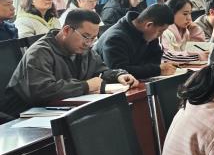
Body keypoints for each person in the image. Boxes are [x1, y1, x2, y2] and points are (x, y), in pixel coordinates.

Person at [0, 9, 136, 117]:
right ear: (66, 30)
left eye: (93, 39)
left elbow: (100, 71)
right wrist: (85, 86)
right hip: (24, 116)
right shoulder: (40, 52)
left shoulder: (83, 50)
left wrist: (118, 75)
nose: (88, 43)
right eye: (86, 37)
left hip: (61, 110)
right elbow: (42, 91)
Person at [94, 3, 177, 80]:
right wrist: (156, 70)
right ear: (149, 25)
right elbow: (119, 72)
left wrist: (153, 69)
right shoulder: (115, 38)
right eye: (160, 31)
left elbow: (155, 59)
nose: (160, 35)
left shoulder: (149, 34)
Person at [160, 0, 209, 64]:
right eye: (185, 14)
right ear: (171, 13)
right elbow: (167, 57)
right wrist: (198, 56)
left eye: (190, 13)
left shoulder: (187, 31)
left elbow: (200, 50)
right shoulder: (163, 32)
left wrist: (195, 31)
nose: (189, 18)